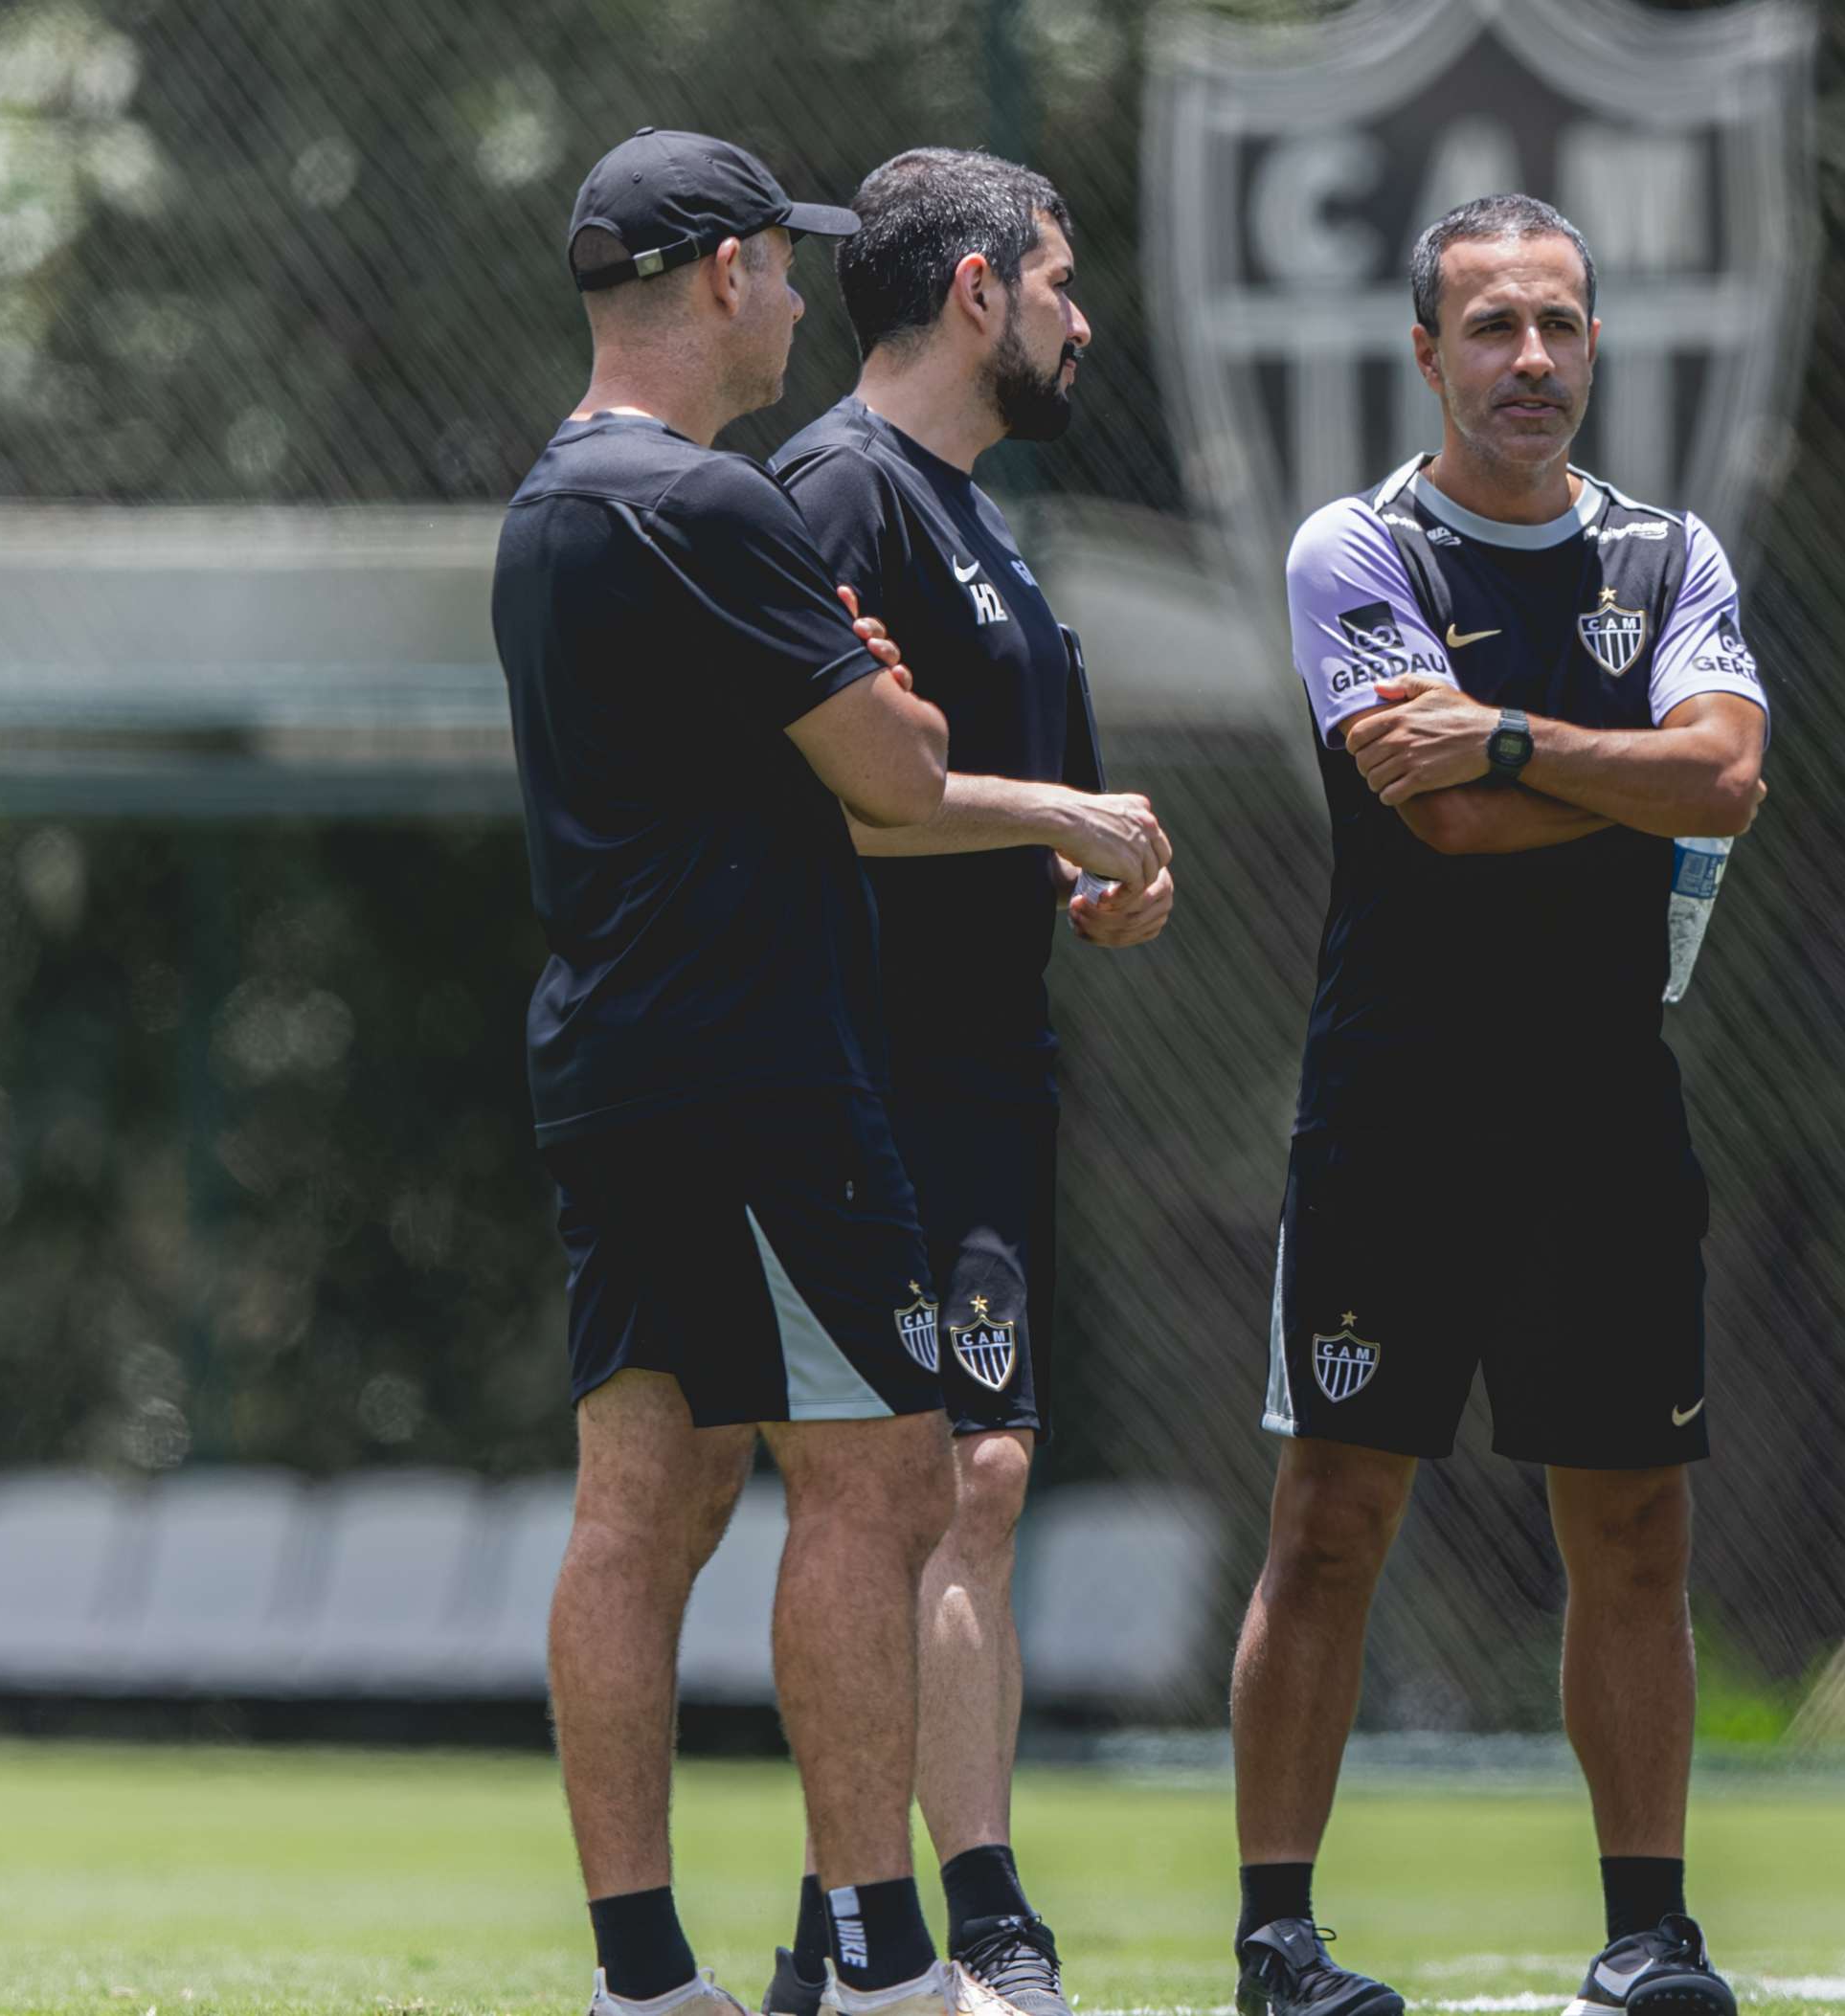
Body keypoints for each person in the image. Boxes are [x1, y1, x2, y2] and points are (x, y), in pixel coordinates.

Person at [1221, 193, 1771, 2016]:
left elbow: (1729, 780)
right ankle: (1280, 1939)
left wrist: (1521, 739)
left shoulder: (1669, 553)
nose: (1530, 363)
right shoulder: (1354, 547)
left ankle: (1648, 1934)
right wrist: (1635, 779)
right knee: (1330, 1521)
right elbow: (1433, 822)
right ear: (1426, 352)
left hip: (1608, 1124)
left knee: (1632, 1533)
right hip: (1395, 1114)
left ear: (1596, 345)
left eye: (1560, 327)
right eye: (1493, 330)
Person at [495, 128, 974, 2016]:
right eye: (784, 267)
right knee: (882, 1482)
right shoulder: (709, 504)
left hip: (612, 1060)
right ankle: (881, 1968)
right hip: (758, 1067)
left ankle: (643, 1983)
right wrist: (920, 715)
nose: (796, 299)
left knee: (647, 1501)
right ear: (721, 274)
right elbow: (901, 780)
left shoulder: (554, 500)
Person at [753, 146, 1173, 2016]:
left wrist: (1099, 872)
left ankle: (917, 1928)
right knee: (911, 1487)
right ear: (980, 291)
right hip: (864, 1073)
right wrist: (1055, 817)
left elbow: (997, 808)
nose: (1086, 316)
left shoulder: (993, 520)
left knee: (980, 1478)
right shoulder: (839, 493)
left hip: (991, 1068)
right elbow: (826, 805)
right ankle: (917, 1934)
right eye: (1064, 279)